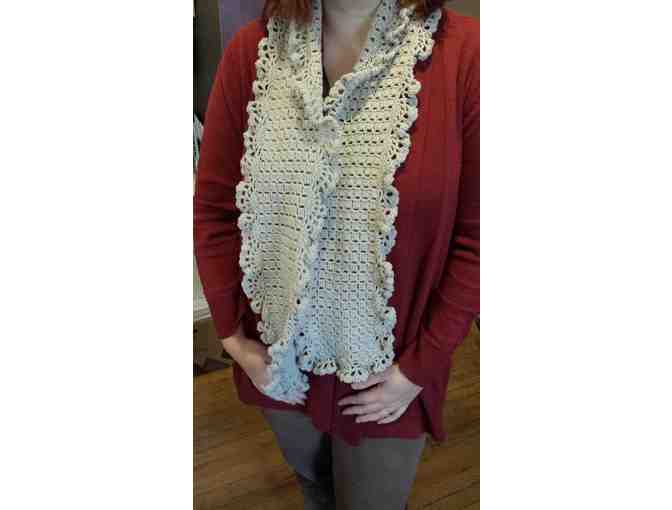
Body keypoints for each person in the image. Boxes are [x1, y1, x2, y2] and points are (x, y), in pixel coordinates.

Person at [193, 0, 479, 508]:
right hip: (278, 365)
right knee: (315, 489)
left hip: (388, 376)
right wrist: (233, 339)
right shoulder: (251, 53)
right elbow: (214, 209)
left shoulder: (465, 56)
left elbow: (479, 238)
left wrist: (421, 366)